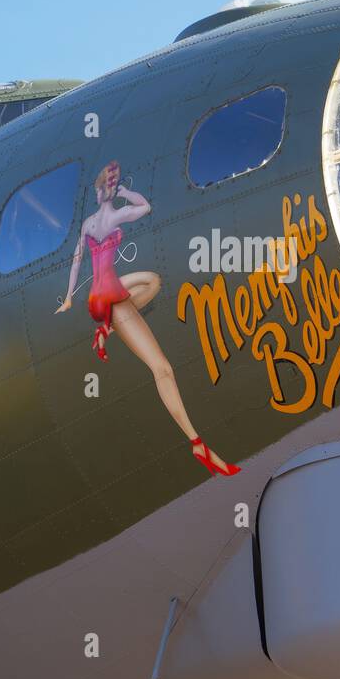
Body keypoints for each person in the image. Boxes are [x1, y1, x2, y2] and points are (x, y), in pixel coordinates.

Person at [56, 161, 239, 477]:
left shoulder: (88, 224)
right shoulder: (116, 215)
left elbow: (75, 262)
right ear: (110, 191)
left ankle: (106, 328)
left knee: (151, 283)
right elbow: (145, 206)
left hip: (99, 296)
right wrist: (128, 193)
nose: (105, 191)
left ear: (100, 192)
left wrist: (70, 297)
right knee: (162, 367)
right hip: (113, 293)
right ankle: (197, 443)